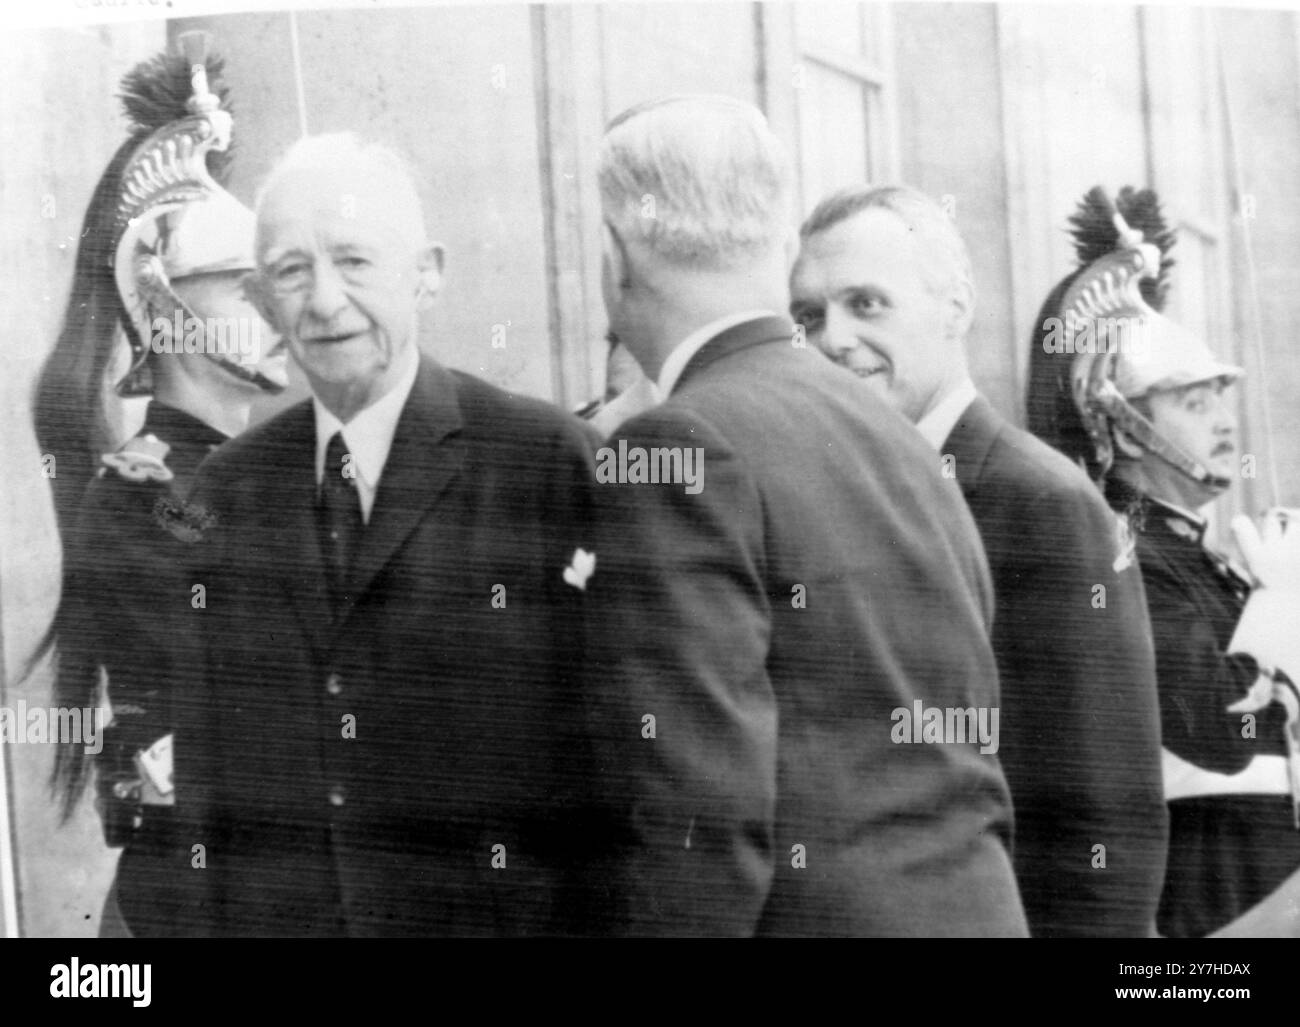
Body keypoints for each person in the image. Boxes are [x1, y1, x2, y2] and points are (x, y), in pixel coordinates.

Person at [579, 95, 1027, 936]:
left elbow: (699, 816)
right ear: (781, 247)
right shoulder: (898, 436)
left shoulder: (675, 444)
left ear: (613, 255)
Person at [179, 132, 595, 936]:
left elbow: (615, 763)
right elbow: (202, 779)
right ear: (262, 302)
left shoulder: (544, 463)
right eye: (292, 271)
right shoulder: (223, 491)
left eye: (355, 261)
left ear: (427, 274)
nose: (325, 300)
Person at [789, 185, 1168, 936]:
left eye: (866, 304)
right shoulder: (826, 487)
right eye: (808, 316)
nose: (831, 339)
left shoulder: (1042, 505)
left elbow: (1106, 827)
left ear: (956, 309)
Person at [30, 43, 288, 937]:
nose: (280, 308)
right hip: (186, 909)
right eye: (245, 285)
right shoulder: (140, 497)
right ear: (162, 298)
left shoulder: (254, 472)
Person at [1026, 186, 1300, 937]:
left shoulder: (1195, 553)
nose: (1222, 418)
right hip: (1210, 897)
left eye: (1220, 395)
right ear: (1128, 422)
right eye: (1192, 399)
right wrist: (1283, 609)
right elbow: (1224, 731)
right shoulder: (1125, 553)